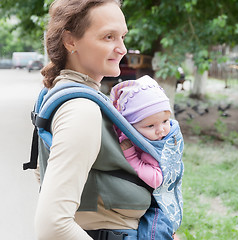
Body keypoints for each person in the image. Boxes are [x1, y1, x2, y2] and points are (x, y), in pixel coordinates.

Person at [33, 0, 153, 239]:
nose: (122, 49)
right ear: (70, 41)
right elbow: (52, 225)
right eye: (108, 37)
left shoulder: (62, 94)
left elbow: (42, 172)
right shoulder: (81, 108)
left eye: (122, 37)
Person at [110, 76, 184, 240]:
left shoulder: (161, 144)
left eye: (165, 121)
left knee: (154, 231)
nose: (161, 130)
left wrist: (132, 158)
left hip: (159, 204)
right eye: (150, 125)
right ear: (130, 128)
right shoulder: (131, 135)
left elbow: (157, 179)